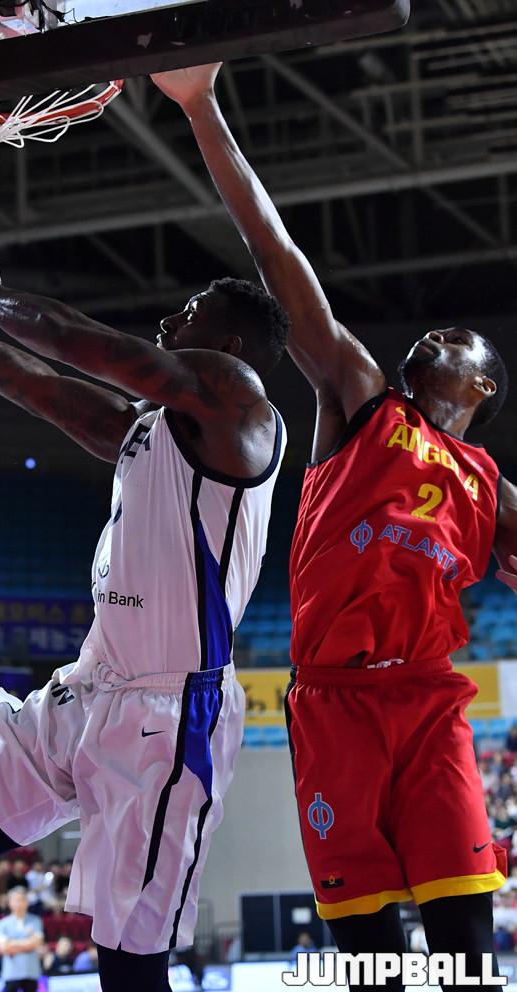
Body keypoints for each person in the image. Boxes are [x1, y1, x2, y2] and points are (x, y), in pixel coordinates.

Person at [151, 63, 517, 991]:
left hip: (430, 703)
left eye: (456, 343)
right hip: (332, 702)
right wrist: (201, 106)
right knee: (372, 961)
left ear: (483, 386)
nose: (433, 339)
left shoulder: (492, 490)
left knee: (468, 948)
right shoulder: (361, 399)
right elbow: (275, 252)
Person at [0, 224, 288, 992]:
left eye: (191, 313)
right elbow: (38, 387)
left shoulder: (241, 405)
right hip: (91, 685)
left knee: (128, 965)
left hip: (171, 716)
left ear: (229, 345)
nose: (168, 320)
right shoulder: (150, 429)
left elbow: (97, 347)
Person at [0, 889, 43, 992]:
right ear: (9, 903)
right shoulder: (2, 924)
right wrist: (28, 944)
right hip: (11, 973)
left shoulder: (36, 921)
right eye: (16, 900)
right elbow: (3, 948)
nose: (19, 903)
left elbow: (37, 943)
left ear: (27, 902)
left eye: (22, 900)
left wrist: (11, 943)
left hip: (31, 972)